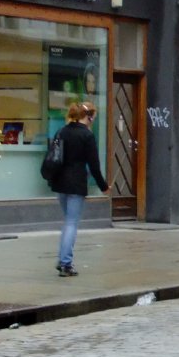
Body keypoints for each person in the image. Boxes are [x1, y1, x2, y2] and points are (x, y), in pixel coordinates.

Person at [48, 101, 108, 277]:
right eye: (93, 119)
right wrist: (103, 187)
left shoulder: (63, 131)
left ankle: (63, 259)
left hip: (60, 182)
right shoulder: (87, 136)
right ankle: (65, 263)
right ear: (88, 117)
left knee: (68, 221)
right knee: (71, 223)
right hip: (76, 184)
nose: (93, 122)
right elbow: (94, 166)